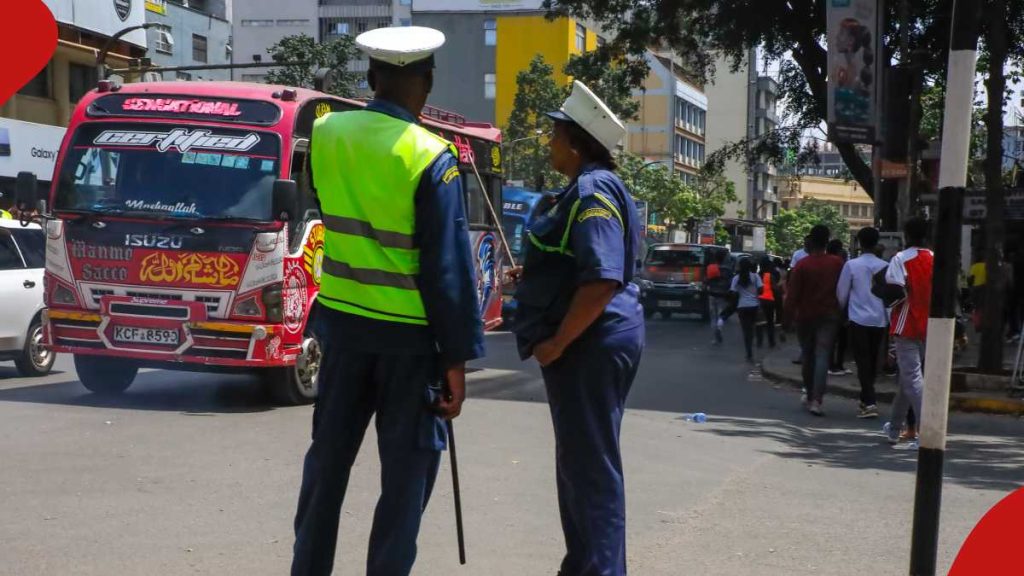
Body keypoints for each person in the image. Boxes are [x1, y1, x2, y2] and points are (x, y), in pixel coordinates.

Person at [291, 27, 485, 576]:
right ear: (427, 83)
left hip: (343, 332)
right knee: (404, 483)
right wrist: (456, 361)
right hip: (410, 346)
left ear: (372, 77)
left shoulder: (326, 132)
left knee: (327, 468)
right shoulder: (432, 156)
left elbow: (325, 204)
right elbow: (447, 270)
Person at [511, 80, 644, 576]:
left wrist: (557, 343)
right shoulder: (584, 190)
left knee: (590, 470)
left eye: (554, 135)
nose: (549, 144)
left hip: (589, 341)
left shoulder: (591, 191)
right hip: (593, 337)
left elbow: (603, 278)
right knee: (579, 464)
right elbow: (576, 264)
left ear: (574, 142)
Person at [880, 217, 933, 447]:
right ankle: (894, 428)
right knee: (907, 380)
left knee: (912, 380)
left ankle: (927, 431)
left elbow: (894, 292)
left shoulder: (900, 259)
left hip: (907, 323)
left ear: (907, 235)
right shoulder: (935, 258)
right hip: (931, 325)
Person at [785, 225, 844, 416]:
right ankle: (817, 401)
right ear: (827, 241)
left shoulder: (802, 265)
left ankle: (810, 394)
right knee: (822, 356)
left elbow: (792, 296)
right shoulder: (837, 263)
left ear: (810, 242)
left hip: (805, 316)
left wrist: (786, 320)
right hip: (830, 315)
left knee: (808, 356)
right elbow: (843, 290)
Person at [836, 227, 889, 419]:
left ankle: (870, 401)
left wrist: (843, 312)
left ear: (859, 243)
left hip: (858, 318)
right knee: (873, 360)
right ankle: (865, 399)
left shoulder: (851, 265)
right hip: (879, 319)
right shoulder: (885, 266)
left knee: (862, 360)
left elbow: (841, 294)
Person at [731, 257, 763, 362]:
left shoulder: (736, 278)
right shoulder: (755, 276)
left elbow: (733, 293)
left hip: (742, 307)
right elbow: (761, 290)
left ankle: (749, 352)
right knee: (752, 328)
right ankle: (752, 342)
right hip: (754, 306)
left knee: (746, 331)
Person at [827, 239, 852, 376]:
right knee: (840, 337)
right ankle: (836, 365)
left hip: (828, 304)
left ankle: (833, 365)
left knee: (833, 338)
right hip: (838, 305)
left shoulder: (825, 262)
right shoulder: (840, 264)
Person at [706, 250, 731, 344]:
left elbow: (707, 281)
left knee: (713, 316)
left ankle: (715, 337)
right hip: (722, 295)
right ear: (724, 258)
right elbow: (730, 283)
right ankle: (719, 328)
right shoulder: (727, 270)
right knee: (721, 314)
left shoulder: (710, 268)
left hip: (712, 294)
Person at [756, 256, 780, 348]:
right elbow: (775, 289)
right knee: (770, 322)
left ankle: (759, 341)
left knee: (759, 322)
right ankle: (771, 341)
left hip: (759, 301)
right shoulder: (769, 276)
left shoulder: (757, 275)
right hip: (769, 301)